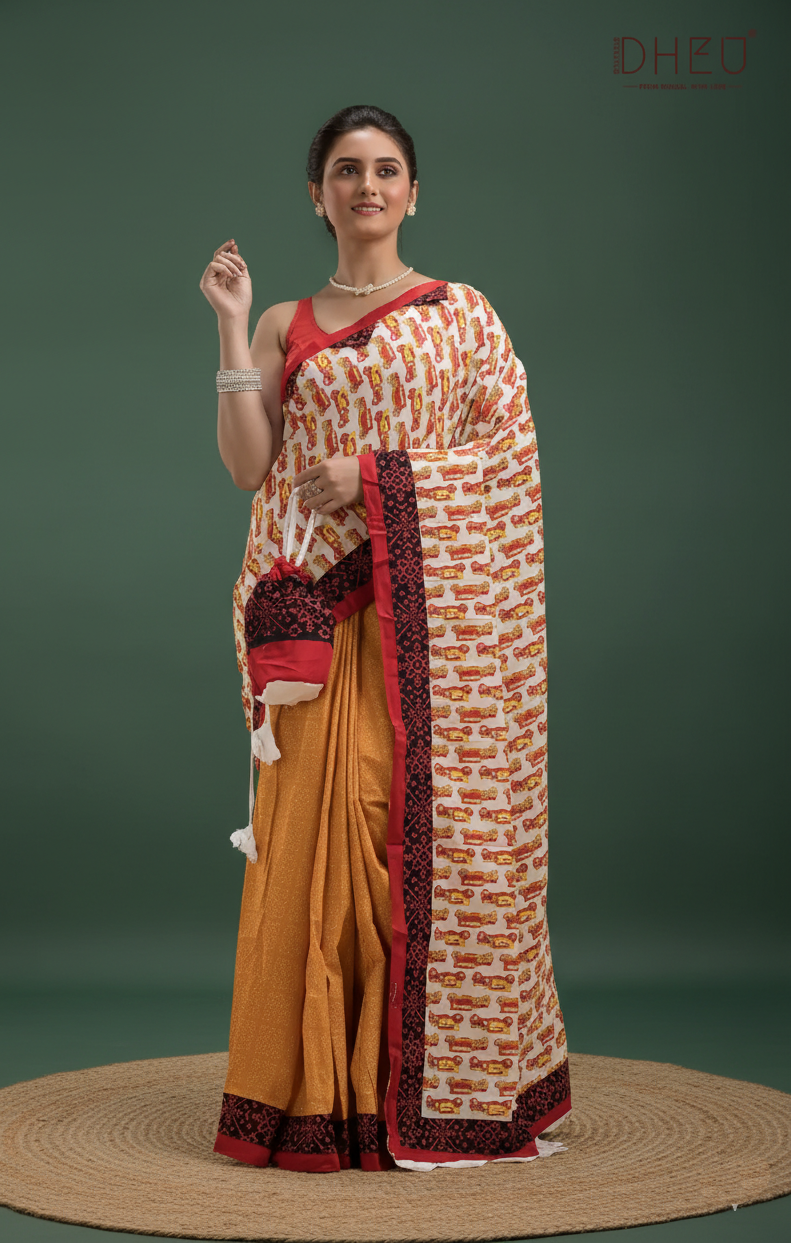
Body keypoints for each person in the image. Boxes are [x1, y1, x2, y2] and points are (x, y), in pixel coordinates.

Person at [199, 104, 571, 1174]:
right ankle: (321, 1099)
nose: (367, 186)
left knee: (407, 836)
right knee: (308, 852)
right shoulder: (284, 321)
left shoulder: (461, 316)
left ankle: (429, 1089)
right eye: (347, 170)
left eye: (387, 169)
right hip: (318, 622)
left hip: (433, 634)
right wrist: (231, 326)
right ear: (316, 195)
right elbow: (248, 467)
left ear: (414, 191)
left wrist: (371, 478)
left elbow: (505, 463)